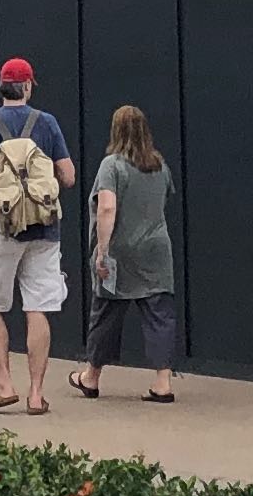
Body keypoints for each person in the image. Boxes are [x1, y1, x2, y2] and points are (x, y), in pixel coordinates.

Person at [0, 57, 72, 414]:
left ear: (2, 86)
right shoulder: (48, 123)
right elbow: (67, 177)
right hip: (45, 230)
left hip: (2, 229)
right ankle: (36, 394)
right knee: (37, 308)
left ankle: (3, 383)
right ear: (27, 86)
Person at [72, 105, 178, 404]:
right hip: (156, 250)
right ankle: (162, 383)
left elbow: (107, 207)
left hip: (120, 250)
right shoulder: (159, 165)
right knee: (159, 315)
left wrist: (102, 251)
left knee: (106, 314)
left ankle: (91, 377)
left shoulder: (112, 165)